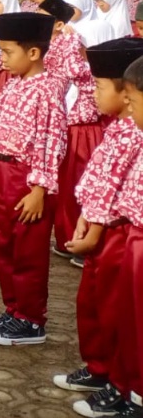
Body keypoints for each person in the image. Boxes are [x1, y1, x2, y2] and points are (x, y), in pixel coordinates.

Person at [52, 38, 143, 408]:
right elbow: (99, 183)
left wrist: (94, 230)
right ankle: (102, 368)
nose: (91, 94)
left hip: (118, 235)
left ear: (125, 94)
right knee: (94, 305)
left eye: (98, 87)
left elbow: (117, 192)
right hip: (102, 232)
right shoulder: (120, 127)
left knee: (121, 315)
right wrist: (86, 221)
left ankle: (126, 387)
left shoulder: (133, 133)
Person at [0, 12, 67, 347]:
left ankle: (31, 320)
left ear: (33, 53)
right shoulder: (15, 82)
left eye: (8, 52)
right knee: (6, 247)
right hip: (4, 172)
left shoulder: (47, 90)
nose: (3, 58)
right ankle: (13, 310)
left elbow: (50, 141)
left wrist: (40, 189)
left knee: (28, 251)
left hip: (29, 180)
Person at [39, 0, 104, 262]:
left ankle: (80, 241)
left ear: (58, 24)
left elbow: (86, 83)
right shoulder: (49, 44)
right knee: (63, 185)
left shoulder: (71, 46)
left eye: (42, 17)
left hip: (79, 124)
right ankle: (65, 238)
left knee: (77, 182)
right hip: (61, 121)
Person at [104, 58, 143, 415]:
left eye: (133, 100)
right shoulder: (132, 131)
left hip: (132, 233)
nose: (128, 109)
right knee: (128, 317)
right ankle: (126, 385)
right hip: (130, 231)